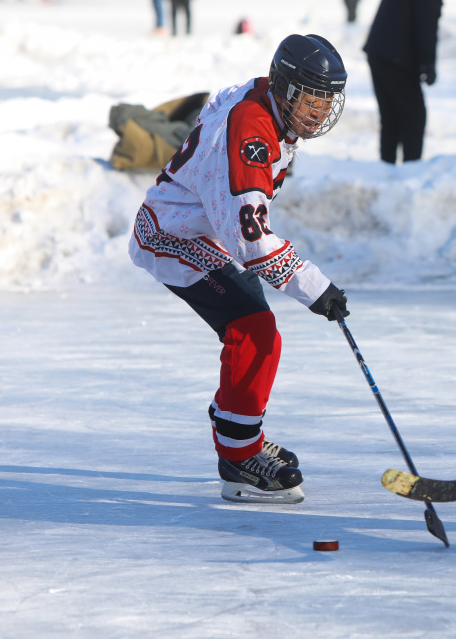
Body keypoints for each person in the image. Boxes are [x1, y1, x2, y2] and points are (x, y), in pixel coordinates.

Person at [128, 34, 350, 505]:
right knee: (254, 330)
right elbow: (254, 242)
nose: (318, 113)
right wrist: (316, 288)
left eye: (326, 102)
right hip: (172, 236)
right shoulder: (252, 129)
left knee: (252, 329)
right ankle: (239, 458)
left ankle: (238, 431)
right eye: (311, 100)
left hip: (201, 230)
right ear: (287, 90)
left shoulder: (266, 101)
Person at [363, 0, 456, 164]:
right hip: (395, 56)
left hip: (380, 51)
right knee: (414, 116)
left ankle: (386, 169)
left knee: (391, 118)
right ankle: (411, 172)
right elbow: (425, 24)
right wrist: (428, 63)